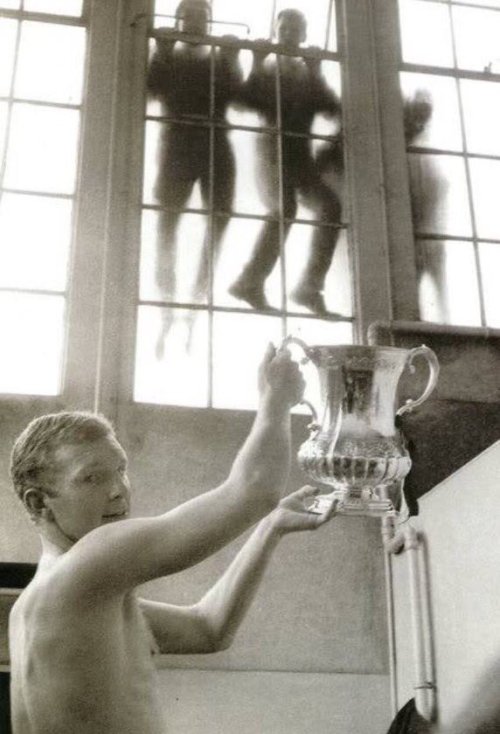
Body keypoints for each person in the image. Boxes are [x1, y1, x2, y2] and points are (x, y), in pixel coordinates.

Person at [8, 345, 337, 734]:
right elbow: (253, 490)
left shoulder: (67, 598)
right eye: (92, 477)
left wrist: (270, 528)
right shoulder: (86, 565)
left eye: (121, 470)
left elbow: (209, 629)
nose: (118, 491)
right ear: (38, 502)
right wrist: (276, 401)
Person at [229, 9, 342, 315]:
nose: (289, 35)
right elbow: (243, 100)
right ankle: (249, 282)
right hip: (272, 147)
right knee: (284, 210)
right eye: (284, 30)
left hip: (300, 153)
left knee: (330, 207)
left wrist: (316, 70)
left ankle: (308, 287)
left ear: (304, 36)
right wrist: (255, 61)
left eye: (295, 30)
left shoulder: (306, 73)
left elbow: (331, 108)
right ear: (277, 32)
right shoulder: (268, 70)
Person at [147, 0, 242, 354]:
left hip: (215, 143)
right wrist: (162, 52)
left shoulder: (219, 57)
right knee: (166, 230)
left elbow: (237, 96)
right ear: (178, 20)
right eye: (190, 17)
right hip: (176, 146)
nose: (197, 23)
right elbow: (152, 90)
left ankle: (193, 312)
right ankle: (165, 312)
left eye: (203, 18)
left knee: (217, 226)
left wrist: (234, 60)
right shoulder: (168, 52)